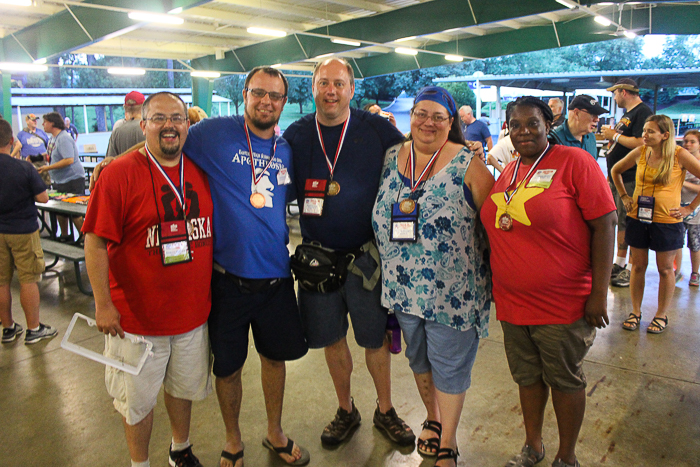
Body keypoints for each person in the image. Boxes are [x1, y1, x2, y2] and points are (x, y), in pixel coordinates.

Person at [283, 58, 416, 448]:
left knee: (374, 340)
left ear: (351, 89)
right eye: (324, 83)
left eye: (338, 84)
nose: (331, 91)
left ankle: (386, 409)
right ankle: (346, 409)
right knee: (331, 339)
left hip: (366, 259)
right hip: (317, 261)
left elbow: (417, 158)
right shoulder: (296, 134)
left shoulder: (376, 129)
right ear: (313, 87)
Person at [183, 67, 309, 467]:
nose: (266, 102)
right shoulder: (212, 134)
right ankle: (233, 439)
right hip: (227, 281)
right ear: (244, 94)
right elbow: (163, 142)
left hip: (275, 278)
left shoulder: (286, 150)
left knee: (275, 359)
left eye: (274, 96)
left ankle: (275, 432)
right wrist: (116, 163)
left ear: (283, 103)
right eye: (258, 93)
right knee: (229, 368)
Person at [481, 96, 616, 467]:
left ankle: (566, 456)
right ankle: (533, 445)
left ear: (548, 125)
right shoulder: (510, 171)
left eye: (532, 123)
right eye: (516, 124)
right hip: (512, 302)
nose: (524, 131)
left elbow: (605, 225)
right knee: (527, 378)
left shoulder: (574, 162)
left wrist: (598, 294)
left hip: (563, 302)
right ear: (506, 128)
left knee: (565, 380)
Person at [83, 92, 214, 467]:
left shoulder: (201, 168)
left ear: (188, 125)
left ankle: (180, 448)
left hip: (191, 315)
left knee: (181, 390)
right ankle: (139, 463)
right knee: (136, 403)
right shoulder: (119, 174)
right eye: (159, 118)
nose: (169, 125)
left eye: (177, 118)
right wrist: (102, 304)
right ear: (143, 125)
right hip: (136, 322)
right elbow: (94, 242)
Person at [372, 86, 494, 467]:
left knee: (451, 366)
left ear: (451, 123)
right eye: (421, 114)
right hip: (403, 289)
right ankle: (434, 417)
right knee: (419, 358)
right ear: (411, 117)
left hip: (454, 292)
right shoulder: (392, 156)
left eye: (438, 117)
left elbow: (494, 227)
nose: (428, 122)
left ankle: (449, 440)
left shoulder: (468, 164)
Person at [612, 115, 700, 334]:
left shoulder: (679, 155)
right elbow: (615, 170)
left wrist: (689, 208)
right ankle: (635, 311)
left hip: (667, 221)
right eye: (644, 130)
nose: (645, 135)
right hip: (638, 218)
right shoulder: (641, 152)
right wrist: (624, 196)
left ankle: (661, 314)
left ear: (665, 135)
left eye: (651, 131)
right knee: (638, 266)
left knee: (664, 269)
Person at [0, 118, 57, 345]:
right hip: (23, 229)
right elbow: (43, 197)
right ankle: (34, 328)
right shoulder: (24, 168)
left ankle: (8, 328)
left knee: (2, 281)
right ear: (12, 140)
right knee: (28, 279)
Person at [602, 78, 654, 288]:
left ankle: (633, 267)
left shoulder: (642, 112)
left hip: (632, 177)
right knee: (621, 219)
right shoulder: (628, 115)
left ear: (624, 92)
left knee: (632, 220)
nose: (614, 97)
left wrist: (613, 134)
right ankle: (620, 262)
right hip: (619, 176)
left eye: (615, 93)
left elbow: (642, 142)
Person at [38, 112, 85, 241]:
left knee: (75, 211)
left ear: (52, 123)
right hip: (59, 179)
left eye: (45, 122)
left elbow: (68, 160)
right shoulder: (53, 138)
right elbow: (52, 154)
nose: (43, 125)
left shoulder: (64, 138)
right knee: (60, 210)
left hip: (72, 179)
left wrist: (47, 168)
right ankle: (65, 235)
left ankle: (84, 238)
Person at [675, 130, 700, 286]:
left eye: (692, 142)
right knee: (676, 242)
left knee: (694, 243)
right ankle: (676, 272)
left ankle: (695, 272)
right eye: (685, 141)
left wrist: (684, 183)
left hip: (695, 210)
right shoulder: (679, 161)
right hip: (678, 207)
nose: (688, 145)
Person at [549, 95, 607, 159]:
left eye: (597, 115)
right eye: (592, 114)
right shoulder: (553, 140)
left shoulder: (591, 137)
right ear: (576, 113)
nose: (597, 119)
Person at [106, 91, 146, 158]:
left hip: (123, 168)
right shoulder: (149, 129)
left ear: (125, 108)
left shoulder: (116, 132)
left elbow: (109, 160)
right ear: (144, 107)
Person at [16, 113, 51, 186]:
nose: (35, 122)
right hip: (29, 163)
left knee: (45, 183)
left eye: (36, 120)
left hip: (42, 162)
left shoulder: (41, 133)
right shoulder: (21, 134)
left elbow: (48, 146)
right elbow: (18, 150)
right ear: (27, 121)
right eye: (32, 120)